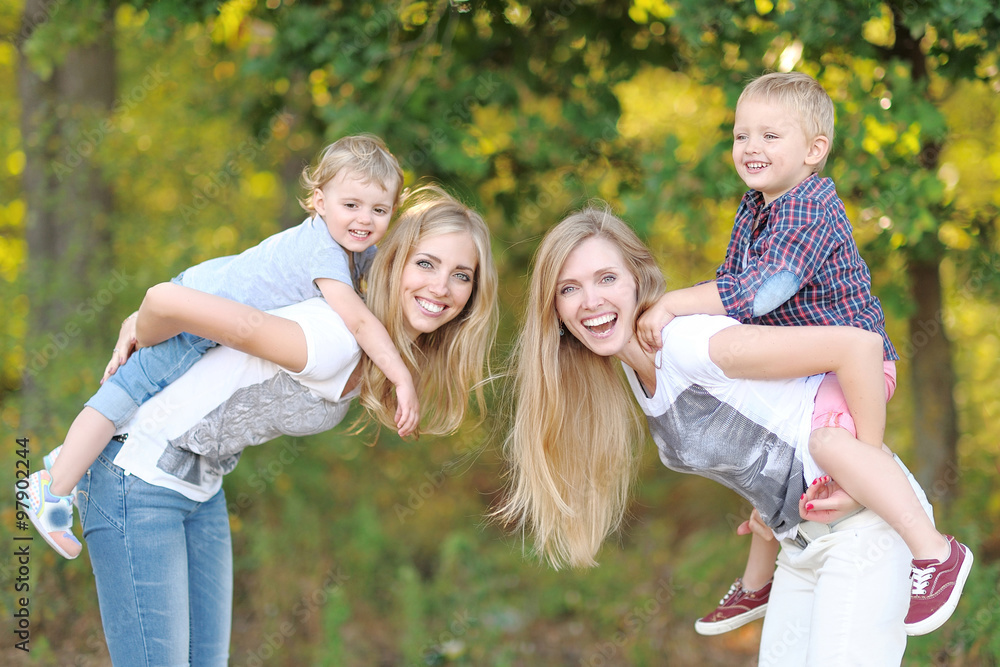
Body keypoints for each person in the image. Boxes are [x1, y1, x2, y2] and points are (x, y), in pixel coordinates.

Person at [498, 207, 971, 665]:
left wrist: (858, 473)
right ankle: (755, 587)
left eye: (606, 279)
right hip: (799, 544)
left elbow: (859, 346)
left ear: (639, 279)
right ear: (556, 309)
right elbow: (770, 424)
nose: (591, 301)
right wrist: (769, 496)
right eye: (569, 289)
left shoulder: (689, 345)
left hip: (864, 528)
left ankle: (940, 555)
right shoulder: (635, 374)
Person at [74, 185, 497, 664]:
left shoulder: (367, 341)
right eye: (426, 264)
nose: (441, 287)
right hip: (134, 476)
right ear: (395, 261)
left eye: (461, 275)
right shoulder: (332, 337)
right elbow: (175, 301)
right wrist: (145, 317)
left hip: (200, 489)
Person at [634, 72, 969, 636]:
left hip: (852, 363)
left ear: (814, 151)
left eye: (770, 135)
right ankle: (758, 582)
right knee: (772, 451)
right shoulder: (757, 207)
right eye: (742, 136)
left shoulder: (807, 209)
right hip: (806, 367)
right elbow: (732, 284)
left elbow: (763, 291)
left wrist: (672, 303)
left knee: (828, 446)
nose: (751, 148)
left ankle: (934, 552)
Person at [25, 133, 422, 560]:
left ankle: (63, 462)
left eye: (378, 210)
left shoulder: (355, 249)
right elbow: (358, 319)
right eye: (351, 206)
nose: (364, 219)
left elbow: (392, 279)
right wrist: (400, 375)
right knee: (122, 395)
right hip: (192, 314)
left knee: (130, 396)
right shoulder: (324, 248)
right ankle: (51, 490)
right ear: (320, 202)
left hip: (209, 317)